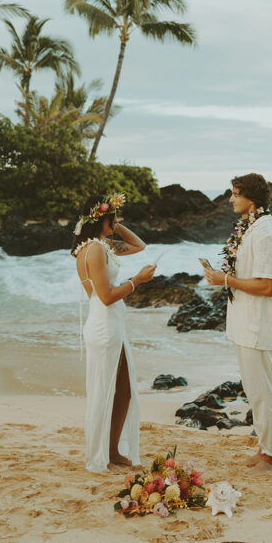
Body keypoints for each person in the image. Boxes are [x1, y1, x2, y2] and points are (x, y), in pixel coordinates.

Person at [203, 173, 272, 473]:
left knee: (263, 391)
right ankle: (264, 448)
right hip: (245, 321)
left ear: (251, 198)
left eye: (236, 193)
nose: (230, 199)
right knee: (255, 389)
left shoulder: (264, 233)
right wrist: (223, 278)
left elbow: (267, 286)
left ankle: (270, 457)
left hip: (257, 323)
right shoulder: (252, 227)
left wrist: (224, 279)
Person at [72, 192, 156, 473]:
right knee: (106, 393)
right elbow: (106, 296)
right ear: (100, 218)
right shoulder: (94, 250)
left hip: (110, 323)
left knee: (123, 391)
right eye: (113, 216)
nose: (117, 220)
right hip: (104, 324)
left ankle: (112, 450)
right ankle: (101, 455)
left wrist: (114, 222)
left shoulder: (100, 245)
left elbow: (139, 245)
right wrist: (138, 280)